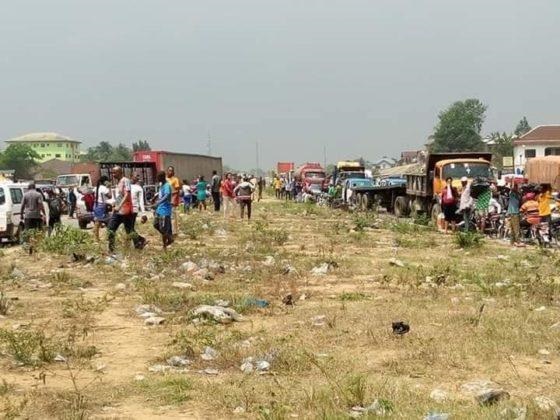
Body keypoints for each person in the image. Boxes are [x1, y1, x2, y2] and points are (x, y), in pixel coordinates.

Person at [107, 166, 135, 255]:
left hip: (125, 211)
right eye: (112, 173)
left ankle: (138, 243)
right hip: (118, 211)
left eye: (114, 173)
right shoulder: (118, 182)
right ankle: (111, 249)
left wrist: (119, 206)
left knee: (129, 231)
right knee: (111, 229)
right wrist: (114, 204)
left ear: (120, 172)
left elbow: (127, 194)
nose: (113, 174)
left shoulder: (125, 180)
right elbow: (120, 196)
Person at [21, 183, 46, 253]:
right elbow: (40, 204)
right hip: (36, 216)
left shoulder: (25, 195)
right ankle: (35, 246)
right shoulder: (38, 194)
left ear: (28, 188)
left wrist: (21, 214)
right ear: (35, 187)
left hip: (28, 216)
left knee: (28, 231)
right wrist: (43, 213)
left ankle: (29, 247)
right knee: (36, 231)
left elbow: (22, 205)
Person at [152, 171, 173, 250]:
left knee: (163, 228)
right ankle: (169, 238)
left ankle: (165, 245)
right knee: (155, 225)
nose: (157, 179)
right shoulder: (162, 185)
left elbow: (167, 195)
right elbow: (160, 193)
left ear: (162, 177)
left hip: (165, 210)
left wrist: (158, 202)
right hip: (159, 209)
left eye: (158, 177)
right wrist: (155, 197)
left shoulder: (167, 185)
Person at [93, 175, 112, 242]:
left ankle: (96, 238)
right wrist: (109, 188)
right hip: (101, 206)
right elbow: (110, 196)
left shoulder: (96, 188)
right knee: (106, 222)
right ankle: (107, 237)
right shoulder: (104, 188)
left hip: (96, 205)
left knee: (98, 222)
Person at [131, 174, 147, 249]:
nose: (137, 177)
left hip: (134, 209)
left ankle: (138, 243)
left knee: (130, 228)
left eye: (138, 176)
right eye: (135, 175)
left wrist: (143, 213)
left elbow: (141, 201)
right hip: (126, 209)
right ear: (131, 176)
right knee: (129, 228)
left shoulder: (139, 188)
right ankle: (140, 240)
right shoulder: (127, 186)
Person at [166, 166, 181, 236]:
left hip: (172, 200)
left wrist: (174, 200)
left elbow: (177, 190)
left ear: (173, 172)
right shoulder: (165, 179)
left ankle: (174, 232)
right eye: (169, 170)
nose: (170, 172)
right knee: (166, 216)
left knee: (172, 216)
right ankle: (168, 231)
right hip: (165, 200)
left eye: (171, 170)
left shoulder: (175, 179)